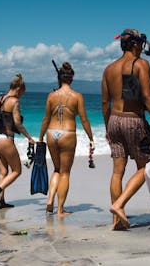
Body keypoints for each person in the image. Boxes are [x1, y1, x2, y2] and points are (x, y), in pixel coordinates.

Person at [102, 29, 150, 230]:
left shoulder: (109, 69)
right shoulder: (140, 64)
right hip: (133, 119)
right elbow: (147, 97)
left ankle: (116, 221)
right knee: (146, 166)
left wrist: (107, 127)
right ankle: (119, 205)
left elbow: (105, 103)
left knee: (117, 172)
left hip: (113, 120)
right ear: (137, 45)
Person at [38, 61, 94, 216]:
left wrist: (41, 137)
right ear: (72, 78)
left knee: (56, 169)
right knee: (65, 173)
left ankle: (50, 201)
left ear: (59, 78)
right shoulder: (77, 96)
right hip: (68, 134)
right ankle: (60, 209)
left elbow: (45, 119)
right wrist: (91, 138)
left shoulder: (51, 96)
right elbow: (84, 120)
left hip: (51, 133)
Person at [0, 73, 35, 209]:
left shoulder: (0, 99)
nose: (21, 96)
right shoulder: (14, 101)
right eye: (22, 93)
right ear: (18, 89)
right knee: (17, 170)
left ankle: (1, 202)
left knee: (3, 172)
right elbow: (17, 123)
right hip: (5, 139)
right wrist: (29, 138)